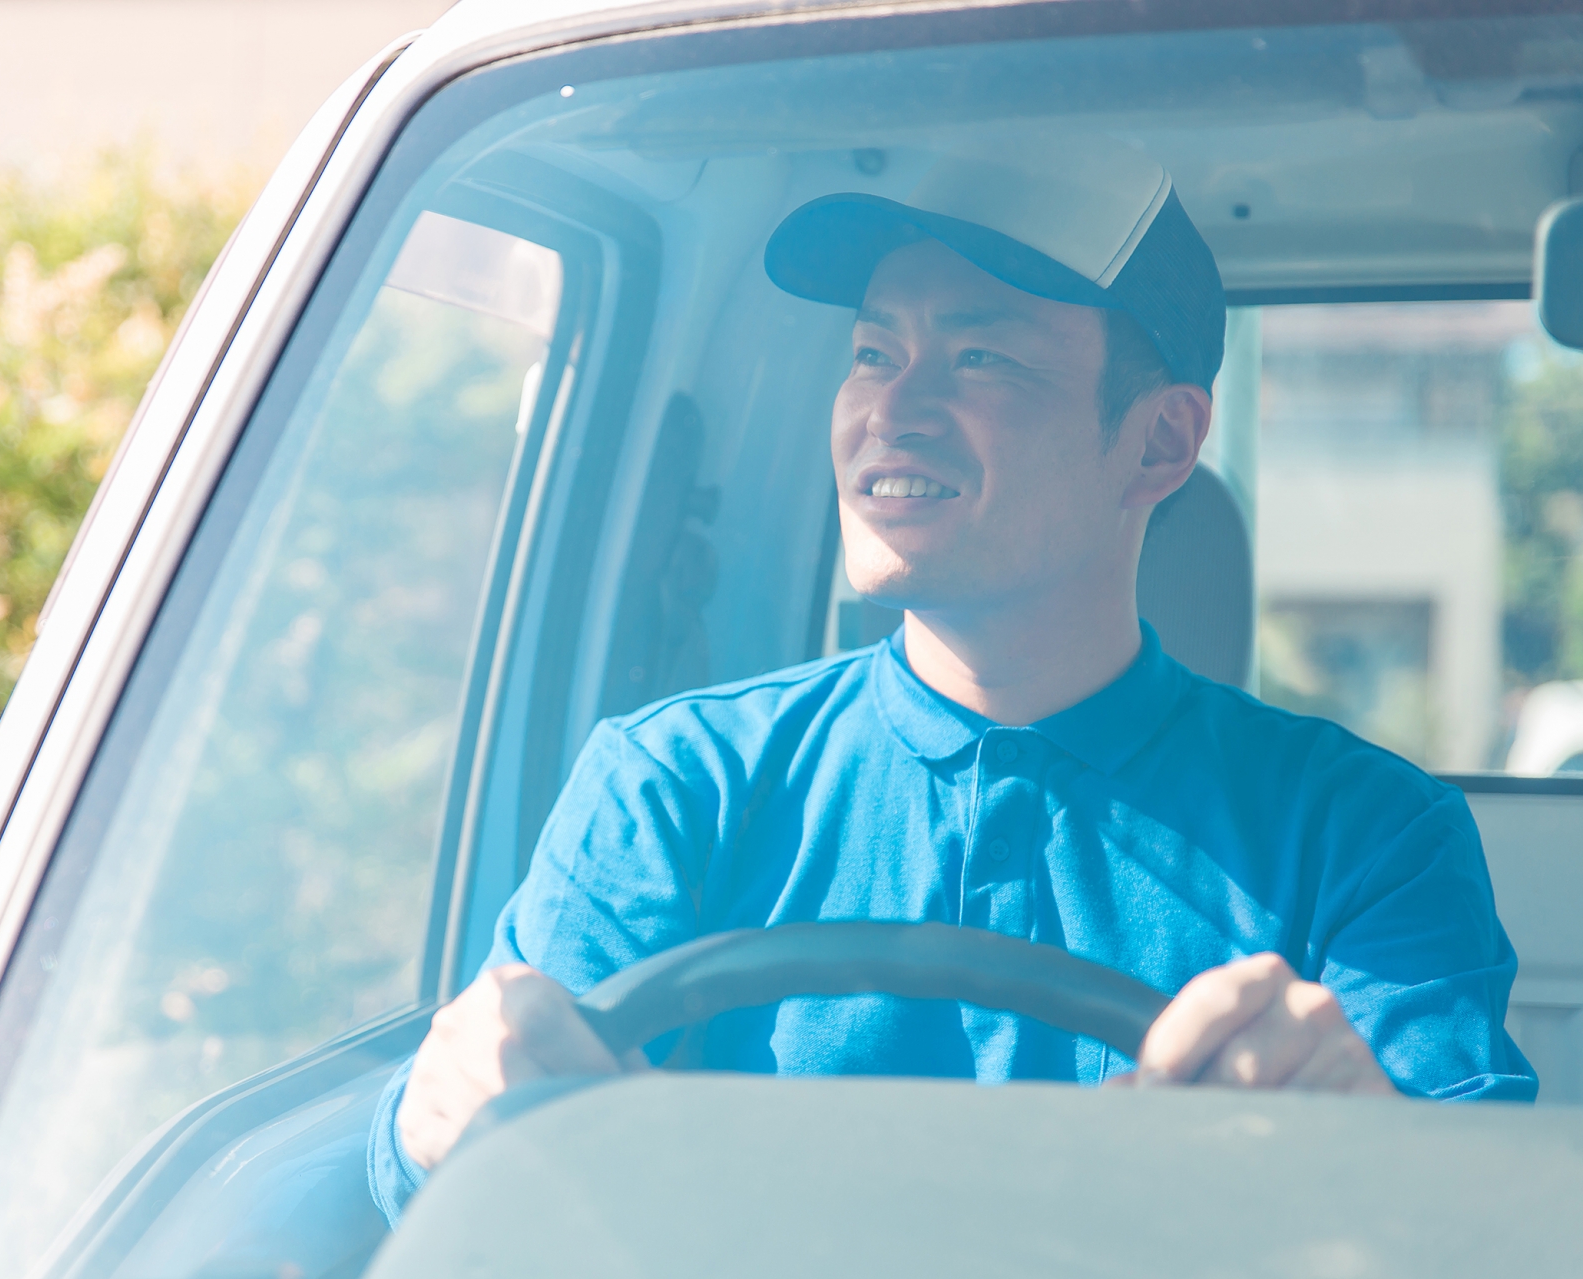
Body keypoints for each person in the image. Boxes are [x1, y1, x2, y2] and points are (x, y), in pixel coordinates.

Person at [367, 141, 1538, 1225]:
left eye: (981, 356)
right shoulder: (676, 782)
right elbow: (455, 1169)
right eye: (874, 352)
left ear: (1160, 443)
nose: (893, 409)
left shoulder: (1366, 833)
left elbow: (1483, 1224)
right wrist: (439, 1111)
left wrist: (1376, 1149)